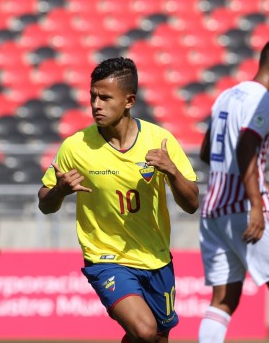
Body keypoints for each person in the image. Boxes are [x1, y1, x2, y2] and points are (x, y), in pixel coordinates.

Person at [38, 57, 200, 343]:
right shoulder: (75, 147)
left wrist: (172, 171)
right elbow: (44, 204)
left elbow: (192, 204)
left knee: (156, 338)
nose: (96, 105)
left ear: (129, 101)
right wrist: (59, 190)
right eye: (93, 97)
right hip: (106, 257)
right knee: (144, 330)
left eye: (105, 97)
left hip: (155, 257)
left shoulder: (160, 140)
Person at [198, 38, 269, 343]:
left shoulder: (227, 96)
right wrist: (256, 200)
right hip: (244, 207)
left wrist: (257, 179)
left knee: (224, 298)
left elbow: (207, 152)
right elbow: (245, 147)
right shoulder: (264, 100)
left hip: (213, 208)